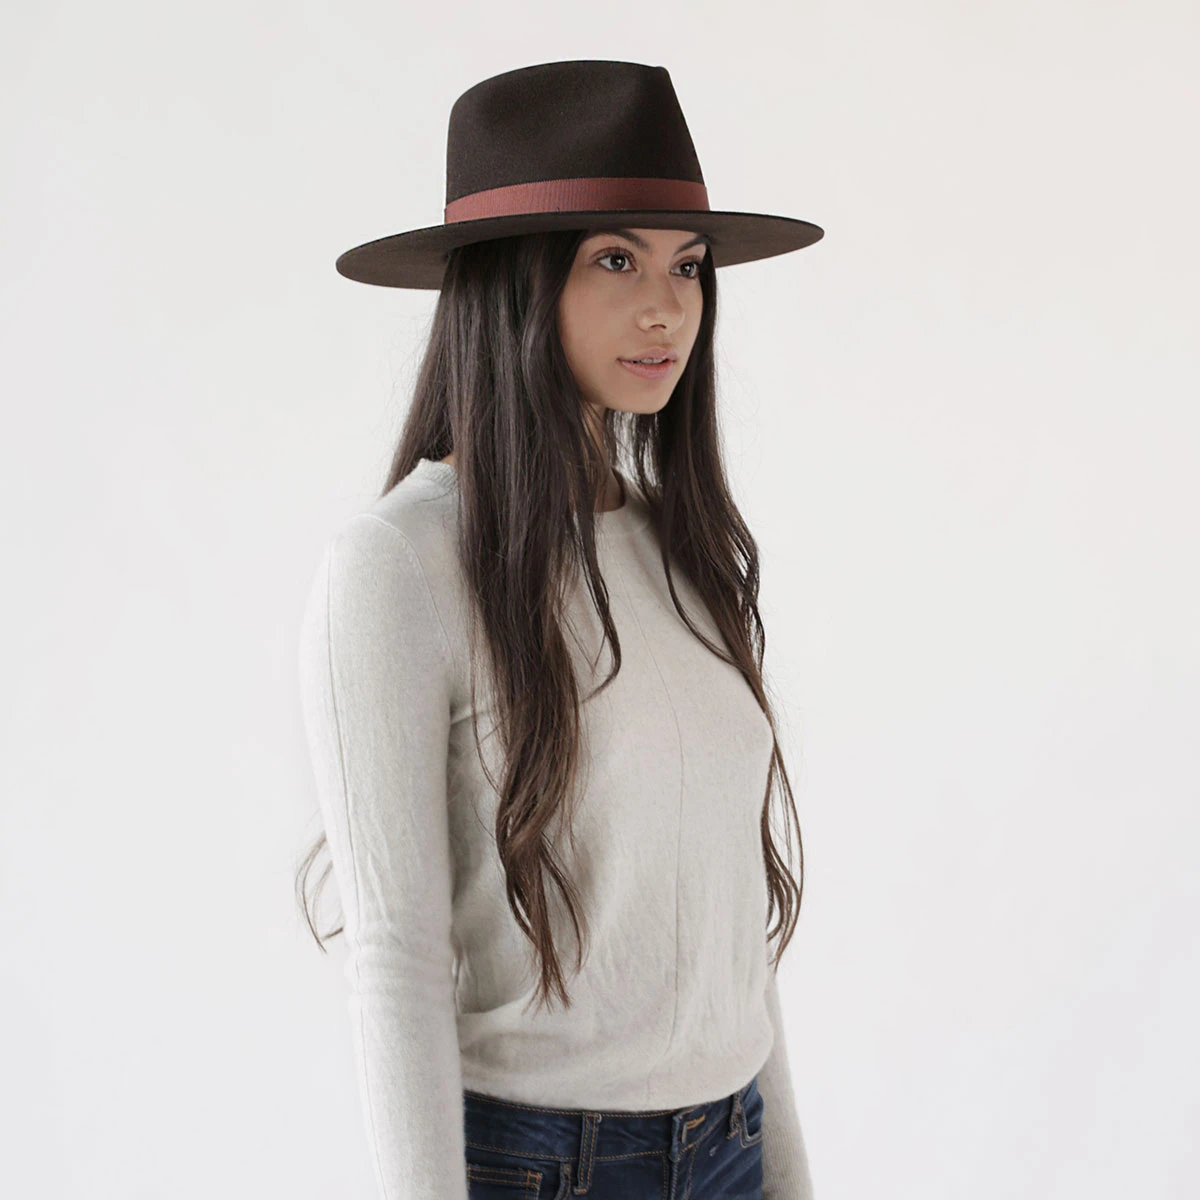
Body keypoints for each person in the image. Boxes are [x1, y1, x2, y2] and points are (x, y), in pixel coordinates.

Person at [296, 59, 825, 1200]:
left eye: (688, 264)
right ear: (514, 281)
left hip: (730, 1147)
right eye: (616, 260)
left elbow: (729, 929)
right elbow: (396, 956)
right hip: (543, 1166)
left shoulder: (681, 544)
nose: (667, 306)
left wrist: (787, 1179)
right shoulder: (400, 566)